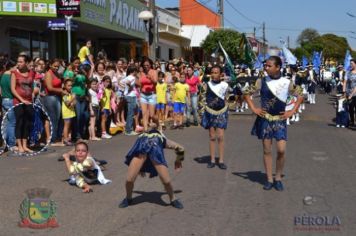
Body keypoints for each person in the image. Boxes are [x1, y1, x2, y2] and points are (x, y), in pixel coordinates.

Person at [244, 56, 303, 191]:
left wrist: (291, 112)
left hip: (280, 120)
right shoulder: (261, 81)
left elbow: (300, 95)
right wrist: (254, 108)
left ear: (278, 67)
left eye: (269, 66)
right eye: (265, 65)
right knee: (267, 150)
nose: (266, 67)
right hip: (265, 119)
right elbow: (246, 93)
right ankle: (270, 179)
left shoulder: (286, 82)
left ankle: (278, 177)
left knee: (281, 150)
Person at [118, 123, 185, 209]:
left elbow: (180, 148)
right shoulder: (141, 136)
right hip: (141, 156)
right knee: (129, 180)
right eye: (149, 122)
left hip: (156, 157)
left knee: (166, 181)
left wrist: (178, 161)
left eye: (153, 123)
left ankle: (173, 199)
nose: (151, 124)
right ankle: (128, 198)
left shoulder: (161, 138)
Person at [201, 65, 229, 169]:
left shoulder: (225, 85)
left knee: (220, 137)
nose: (214, 74)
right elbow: (202, 98)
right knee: (212, 137)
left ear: (221, 74)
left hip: (221, 112)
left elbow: (228, 98)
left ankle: (221, 160)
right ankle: (212, 160)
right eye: (212, 72)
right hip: (210, 112)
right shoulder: (206, 84)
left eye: (216, 72)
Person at [10, 54, 35, 153]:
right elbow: (12, 89)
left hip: (29, 101)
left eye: (21, 62)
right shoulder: (14, 73)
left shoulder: (31, 73)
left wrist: (31, 97)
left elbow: (31, 86)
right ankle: (19, 145)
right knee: (19, 122)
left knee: (27, 123)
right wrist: (21, 99)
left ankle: (25, 145)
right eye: (18, 61)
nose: (18, 63)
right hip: (18, 101)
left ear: (26, 63)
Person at [122, 65, 139, 135]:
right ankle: (129, 130)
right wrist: (130, 87)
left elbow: (120, 82)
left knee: (130, 113)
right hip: (131, 96)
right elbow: (129, 83)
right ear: (134, 71)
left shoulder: (126, 77)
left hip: (127, 96)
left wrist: (125, 90)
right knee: (131, 113)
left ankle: (127, 129)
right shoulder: (133, 78)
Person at [62, 79, 76, 146]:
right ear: (65, 86)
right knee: (66, 126)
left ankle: (68, 138)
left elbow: (74, 103)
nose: (70, 87)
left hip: (71, 111)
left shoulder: (71, 93)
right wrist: (72, 99)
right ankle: (65, 139)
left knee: (69, 126)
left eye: (71, 85)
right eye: (68, 85)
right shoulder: (64, 94)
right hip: (66, 112)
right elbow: (67, 103)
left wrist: (73, 102)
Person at [343, 59, 356, 127]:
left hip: (355, 94)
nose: (350, 65)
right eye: (350, 63)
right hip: (349, 93)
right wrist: (344, 91)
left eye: (352, 63)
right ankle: (352, 121)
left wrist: (352, 94)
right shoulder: (348, 72)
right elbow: (345, 82)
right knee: (350, 108)